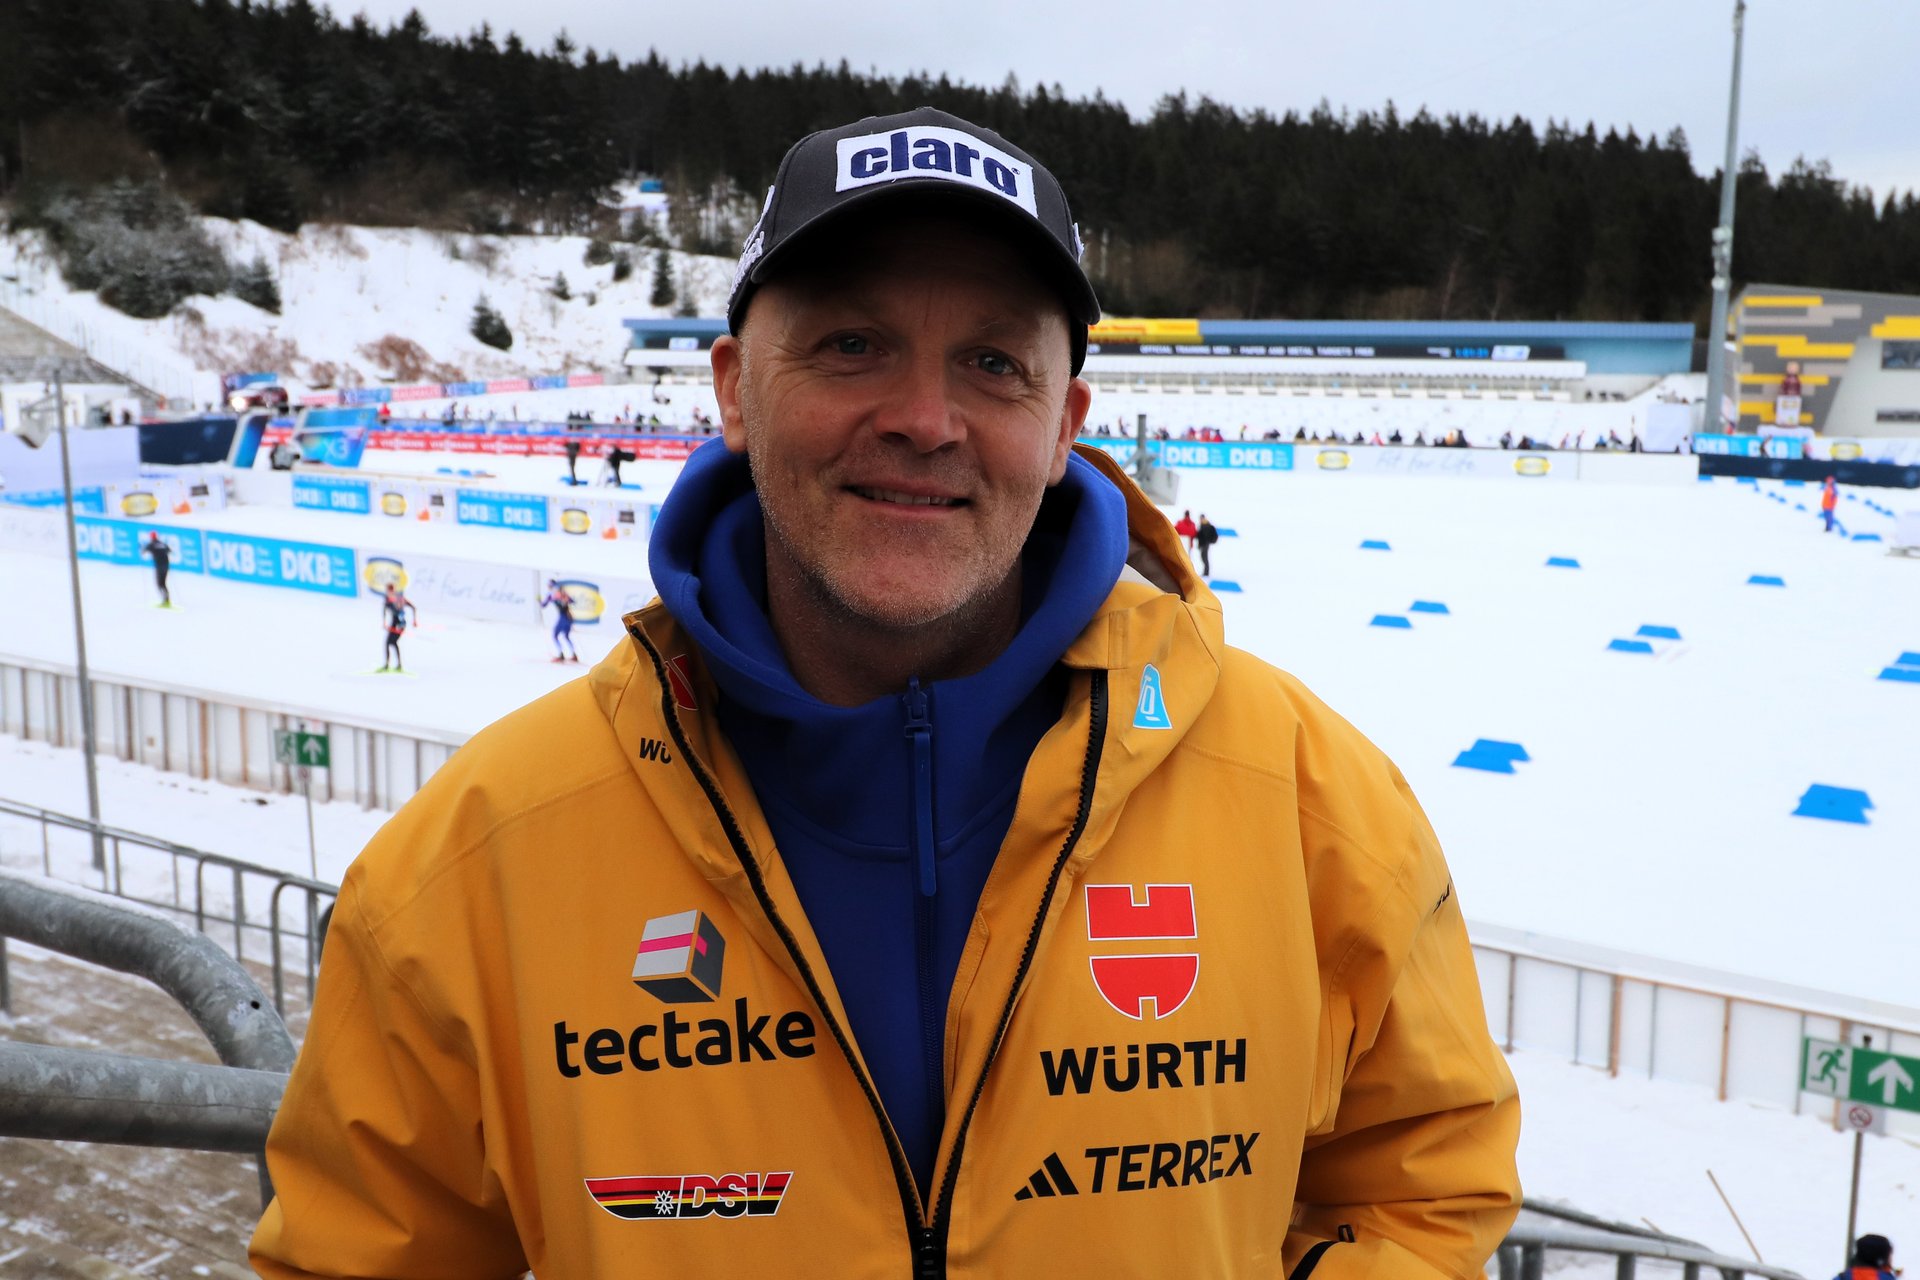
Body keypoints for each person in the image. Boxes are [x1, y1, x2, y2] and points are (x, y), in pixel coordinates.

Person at [252, 106, 1519, 1280]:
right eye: (852, 345)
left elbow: (1425, 1183)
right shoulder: (474, 860)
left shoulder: (1309, 800)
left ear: (1065, 422)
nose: (924, 418)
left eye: (993, 361)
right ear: (735, 388)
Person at [377, 583, 416, 672]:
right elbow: (384, 611)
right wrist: (384, 622)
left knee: (390, 642)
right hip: (394, 624)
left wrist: (414, 621)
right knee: (391, 643)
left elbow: (413, 607)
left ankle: (391, 665)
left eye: (389, 591)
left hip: (400, 624)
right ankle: (395, 665)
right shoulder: (388, 599)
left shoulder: (399, 599)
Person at [542, 578, 579, 663]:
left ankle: (561, 654)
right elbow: (572, 601)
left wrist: (539, 601)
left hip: (563, 617)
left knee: (555, 635)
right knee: (566, 636)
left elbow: (543, 605)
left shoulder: (552, 594)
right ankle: (574, 655)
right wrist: (565, 598)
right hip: (569, 618)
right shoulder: (562, 593)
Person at [141, 531, 172, 607]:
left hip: (159, 566)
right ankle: (167, 600)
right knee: (163, 583)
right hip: (166, 565)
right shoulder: (162, 543)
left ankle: (165, 601)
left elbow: (143, 551)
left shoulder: (152, 544)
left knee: (159, 584)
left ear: (151, 537)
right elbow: (169, 550)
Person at [1195, 512, 1219, 577]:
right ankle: (1206, 571)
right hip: (1204, 544)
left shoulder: (1206, 525)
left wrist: (1209, 540)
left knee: (1204, 557)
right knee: (1203, 557)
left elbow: (1203, 535)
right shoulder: (1203, 525)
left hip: (1205, 544)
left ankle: (1206, 572)